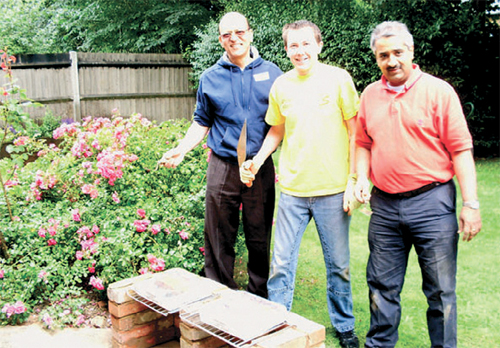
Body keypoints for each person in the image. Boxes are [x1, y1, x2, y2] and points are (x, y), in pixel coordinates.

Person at [354, 21, 482, 348]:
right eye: (383, 55)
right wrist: (361, 177)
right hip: (384, 207)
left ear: (411, 52)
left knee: (440, 291)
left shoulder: (439, 92)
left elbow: (461, 150)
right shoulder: (369, 95)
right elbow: (363, 143)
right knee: (381, 287)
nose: (391, 60)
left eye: (398, 52)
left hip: (433, 204)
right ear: (376, 58)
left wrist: (470, 204)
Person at [240, 20, 360, 348]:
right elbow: (276, 131)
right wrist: (258, 160)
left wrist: (353, 180)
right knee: (281, 264)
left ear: (318, 45)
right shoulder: (281, 86)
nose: (300, 51)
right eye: (293, 45)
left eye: (306, 44)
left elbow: (355, 132)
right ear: (286, 49)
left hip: (333, 191)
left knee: (338, 265)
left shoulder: (338, 79)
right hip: (292, 191)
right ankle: (278, 325)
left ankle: (345, 326)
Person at [158, 12, 282, 298]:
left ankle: (258, 294)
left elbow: (280, 123)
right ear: (220, 40)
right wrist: (181, 150)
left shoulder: (273, 74)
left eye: (239, 32)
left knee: (259, 234)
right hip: (223, 166)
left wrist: (260, 158)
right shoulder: (210, 78)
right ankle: (219, 292)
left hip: (258, 166)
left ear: (250, 34)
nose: (234, 38)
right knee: (218, 233)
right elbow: (201, 122)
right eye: (227, 34)